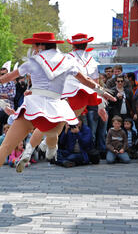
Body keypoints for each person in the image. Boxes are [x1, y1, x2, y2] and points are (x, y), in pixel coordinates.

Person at [0, 32, 112, 207]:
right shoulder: (68, 61)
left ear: (41, 46)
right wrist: (102, 93)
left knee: (5, 146)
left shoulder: (33, 62)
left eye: (34, 45)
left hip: (33, 104)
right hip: (55, 107)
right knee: (52, 132)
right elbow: (86, 80)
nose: (33, 49)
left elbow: (9, 77)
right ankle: (51, 149)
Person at [15, 33, 114, 173]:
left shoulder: (66, 57)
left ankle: (29, 150)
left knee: (47, 124)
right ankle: (44, 144)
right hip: (82, 97)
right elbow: (94, 84)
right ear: (86, 45)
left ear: (73, 45)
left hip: (63, 94)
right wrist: (100, 105)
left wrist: (34, 90)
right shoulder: (92, 61)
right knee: (60, 123)